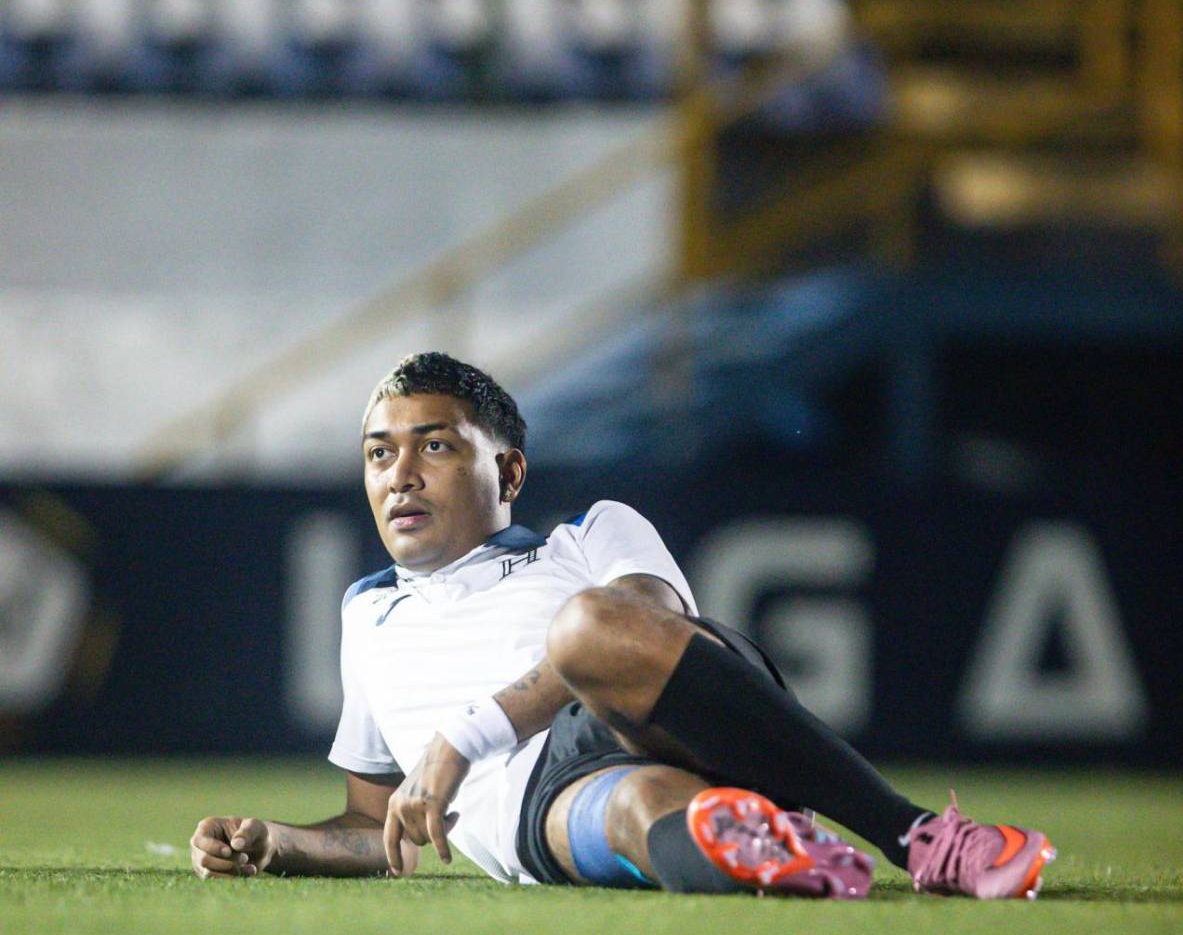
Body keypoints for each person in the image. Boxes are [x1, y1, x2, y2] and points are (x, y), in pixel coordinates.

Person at [189, 353, 1054, 899]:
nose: (401, 475)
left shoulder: (593, 535)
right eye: (380, 453)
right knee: (647, 808)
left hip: (674, 715)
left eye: (437, 446)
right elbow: (379, 824)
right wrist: (280, 844)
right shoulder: (365, 614)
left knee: (588, 628)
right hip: (540, 806)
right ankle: (783, 858)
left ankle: (916, 836)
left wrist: (464, 736)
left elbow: (649, 632)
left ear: (510, 469)